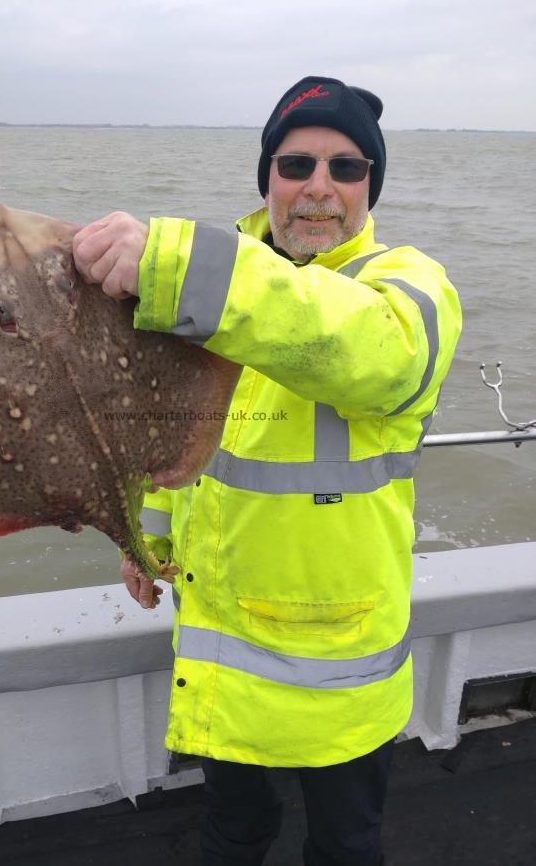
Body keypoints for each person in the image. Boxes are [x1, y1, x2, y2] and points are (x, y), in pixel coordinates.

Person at [73, 76, 462, 866]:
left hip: (341, 671)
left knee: (345, 846)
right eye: (295, 165)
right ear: (267, 180)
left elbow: (367, 351)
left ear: (369, 187)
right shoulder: (213, 289)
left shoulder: (407, 286)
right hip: (222, 654)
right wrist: (139, 542)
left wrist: (180, 268)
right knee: (231, 835)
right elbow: (171, 447)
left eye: (346, 168)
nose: (319, 188)